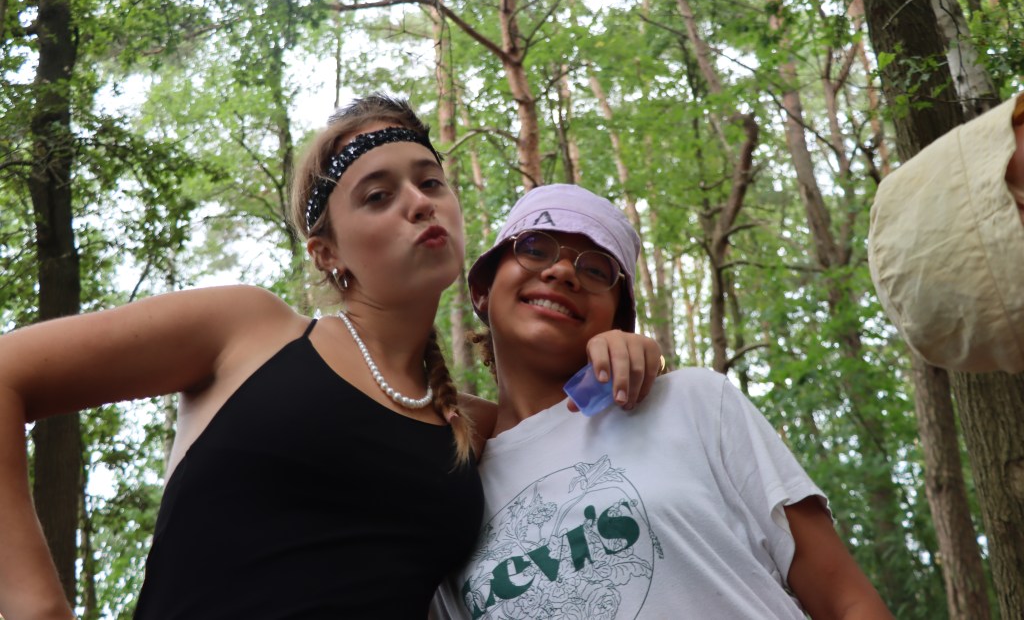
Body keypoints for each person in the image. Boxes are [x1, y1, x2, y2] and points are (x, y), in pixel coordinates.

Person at [0, 95, 659, 619]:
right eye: (378, 195)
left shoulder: (474, 426)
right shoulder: (246, 332)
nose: (419, 202)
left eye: (430, 181)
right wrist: (37, 611)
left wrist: (620, 352)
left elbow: (590, 443)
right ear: (328, 253)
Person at [432, 183, 893, 619]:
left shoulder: (694, 403)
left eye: (596, 270)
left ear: (618, 318)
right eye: (534, 248)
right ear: (482, 290)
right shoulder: (448, 490)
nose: (564, 271)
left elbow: (846, 601)